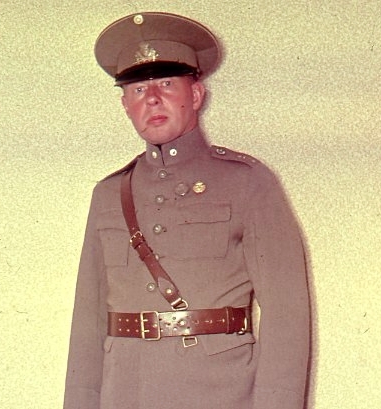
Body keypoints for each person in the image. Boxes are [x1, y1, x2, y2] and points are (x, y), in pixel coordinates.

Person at [64, 11, 310, 409]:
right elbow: (87, 322)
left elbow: (287, 314)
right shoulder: (108, 194)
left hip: (221, 394)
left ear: (195, 95)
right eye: (139, 89)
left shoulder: (248, 182)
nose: (152, 99)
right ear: (126, 105)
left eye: (166, 83)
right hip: (124, 393)